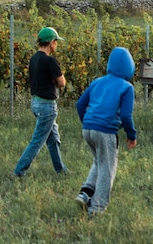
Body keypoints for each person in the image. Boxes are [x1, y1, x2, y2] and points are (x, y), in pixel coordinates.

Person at [75, 47, 137, 217]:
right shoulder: (127, 87)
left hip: (87, 128)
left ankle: (85, 193)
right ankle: (97, 208)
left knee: (99, 160)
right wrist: (132, 136)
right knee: (107, 168)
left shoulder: (97, 82)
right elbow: (125, 115)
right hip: (106, 131)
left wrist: (88, 122)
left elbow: (80, 104)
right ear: (129, 68)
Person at [13, 27, 69, 177]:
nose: (56, 45)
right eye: (56, 41)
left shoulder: (34, 59)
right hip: (47, 106)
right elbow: (62, 82)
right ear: (51, 42)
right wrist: (54, 80)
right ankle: (18, 172)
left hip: (36, 102)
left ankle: (61, 170)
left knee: (53, 139)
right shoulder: (50, 60)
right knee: (37, 141)